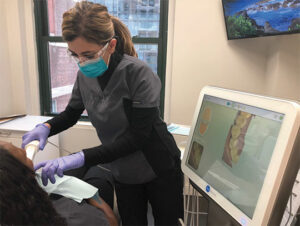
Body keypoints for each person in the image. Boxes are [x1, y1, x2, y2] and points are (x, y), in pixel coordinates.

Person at [22, 1, 183, 225]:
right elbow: (71, 114)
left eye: (87, 54)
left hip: (158, 165)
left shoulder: (138, 74)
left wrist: (79, 158)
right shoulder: (84, 76)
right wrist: (46, 128)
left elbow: (139, 137)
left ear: (111, 45)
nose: (82, 62)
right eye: (75, 55)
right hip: (122, 170)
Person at [0, 140, 118, 226]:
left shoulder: (11, 198)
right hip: (79, 201)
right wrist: (92, 195)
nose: (24, 150)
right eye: (26, 157)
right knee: (100, 167)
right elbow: (111, 221)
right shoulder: (76, 217)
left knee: (77, 157)